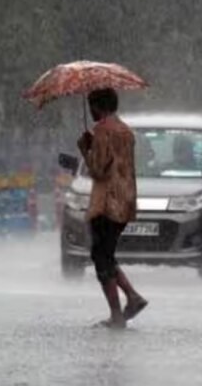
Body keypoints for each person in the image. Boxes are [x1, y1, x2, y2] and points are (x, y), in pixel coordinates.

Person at [77, 88, 148, 329]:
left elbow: (98, 170)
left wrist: (84, 149)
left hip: (106, 203)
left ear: (99, 106)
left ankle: (118, 313)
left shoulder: (102, 131)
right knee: (104, 254)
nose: (90, 111)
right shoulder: (126, 131)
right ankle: (131, 299)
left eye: (92, 106)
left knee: (101, 258)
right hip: (125, 201)